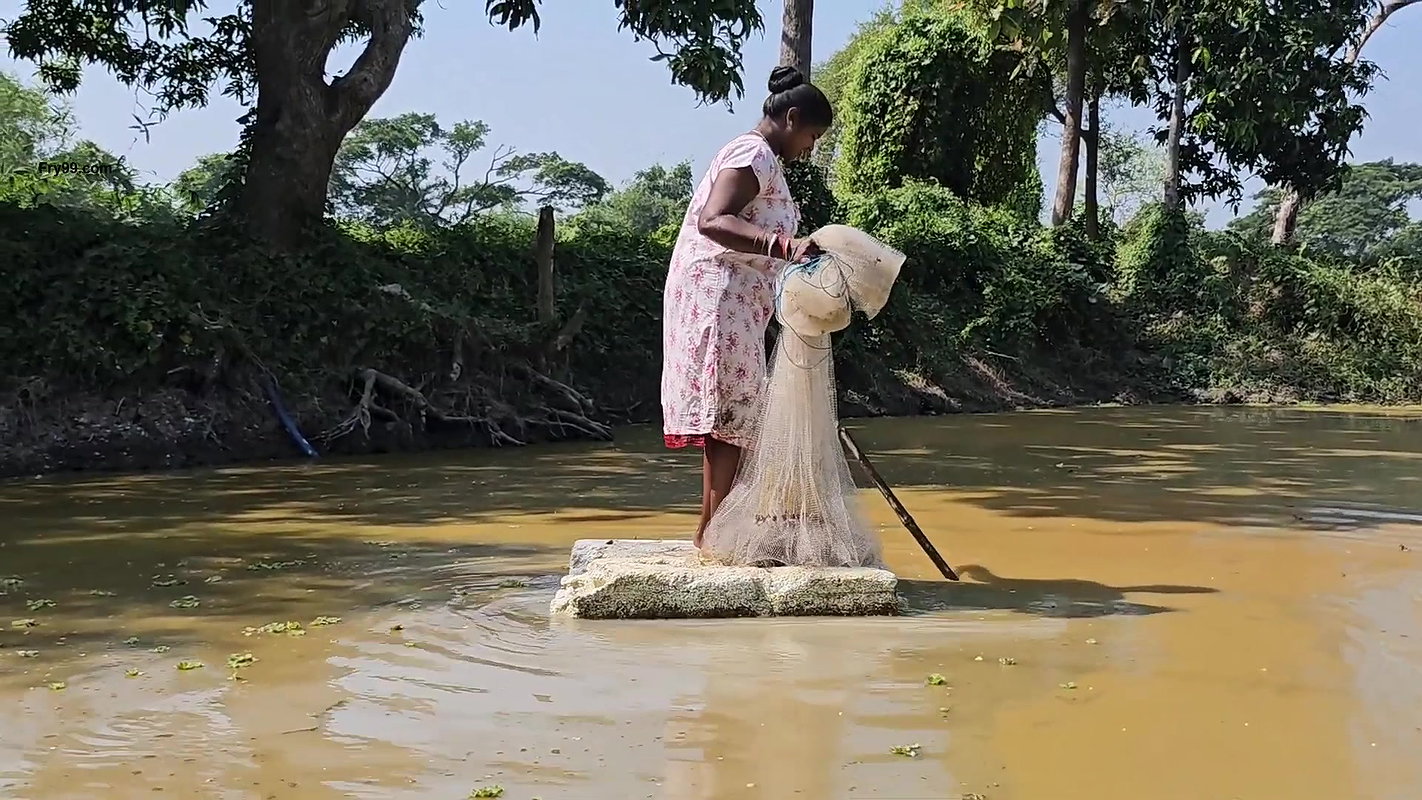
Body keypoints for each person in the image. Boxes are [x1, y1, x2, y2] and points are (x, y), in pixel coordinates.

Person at [660, 65, 834, 548]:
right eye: (813, 136)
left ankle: (712, 531)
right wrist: (785, 246)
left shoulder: (767, 162)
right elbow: (714, 221)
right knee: (730, 415)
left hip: (737, 303)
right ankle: (715, 533)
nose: (811, 147)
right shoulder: (753, 152)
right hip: (717, 298)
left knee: (732, 416)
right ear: (792, 118)